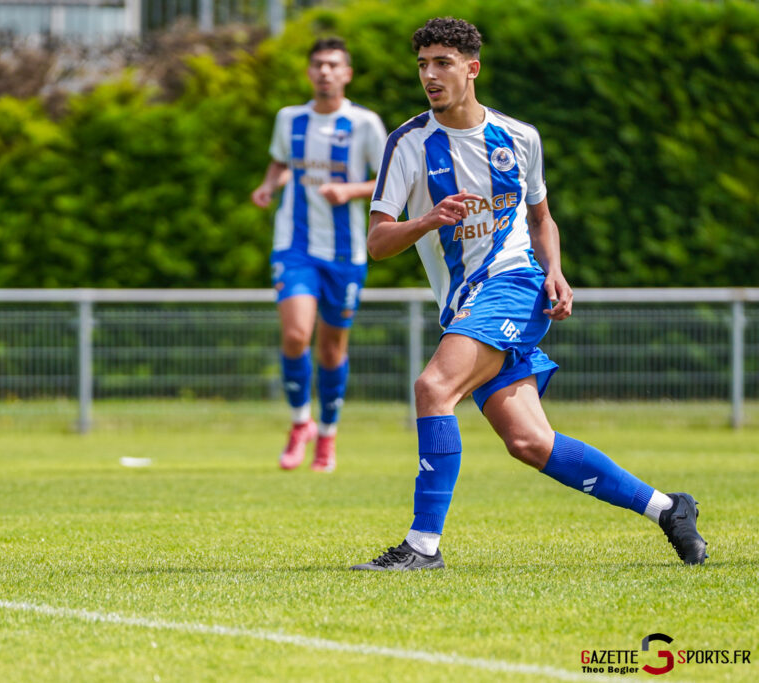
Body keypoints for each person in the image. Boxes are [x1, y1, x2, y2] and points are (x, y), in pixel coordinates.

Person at [352, 17, 707, 570]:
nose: (430, 75)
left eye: (442, 63)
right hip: (464, 305)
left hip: (514, 283)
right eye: (422, 64)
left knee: (433, 387)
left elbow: (541, 220)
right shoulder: (409, 143)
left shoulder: (519, 137)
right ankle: (669, 509)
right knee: (530, 443)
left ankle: (422, 547)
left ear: (472, 69)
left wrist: (556, 270)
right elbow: (377, 242)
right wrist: (425, 221)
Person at [251, 37, 388, 473]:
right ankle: (299, 423)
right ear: (309, 72)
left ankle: (327, 434)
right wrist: (269, 185)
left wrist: (349, 189)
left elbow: (389, 183)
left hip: (345, 253)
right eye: (317, 65)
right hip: (294, 246)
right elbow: (279, 162)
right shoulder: (289, 119)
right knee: (295, 336)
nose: (324, 72)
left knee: (331, 350)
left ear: (346, 73)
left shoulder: (364, 123)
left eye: (333, 65)